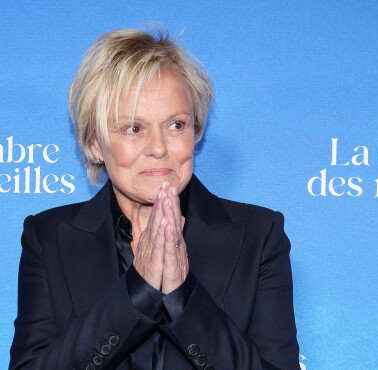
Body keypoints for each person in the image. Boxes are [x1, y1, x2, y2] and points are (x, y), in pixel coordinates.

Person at [9, 26, 299, 369]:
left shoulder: (259, 235)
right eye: (133, 128)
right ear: (93, 144)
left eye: (176, 125)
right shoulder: (49, 237)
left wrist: (182, 295)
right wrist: (138, 290)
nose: (159, 148)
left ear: (196, 129)